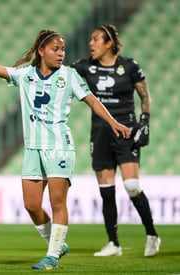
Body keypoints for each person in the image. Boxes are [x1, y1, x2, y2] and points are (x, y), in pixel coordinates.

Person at [0, 29, 130, 270]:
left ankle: (52, 256)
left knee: (57, 202)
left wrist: (113, 122)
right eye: (55, 49)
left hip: (58, 147)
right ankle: (57, 244)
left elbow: (92, 100)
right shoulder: (26, 75)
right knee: (31, 205)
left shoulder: (69, 76)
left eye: (63, 49)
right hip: (32, 149)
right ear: (41, 51)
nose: (61, 53)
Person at [71, 24, 160, 257]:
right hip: (100, 132)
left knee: (131, 186)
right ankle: (114, 244)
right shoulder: (85, 66)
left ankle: (152, 234)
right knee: (106, 190)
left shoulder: (129, 67)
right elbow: (62, 74)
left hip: (126, 131)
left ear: (109, 43)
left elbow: (145, 95)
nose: (91, 44)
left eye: (95, 40)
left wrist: (145, 121)